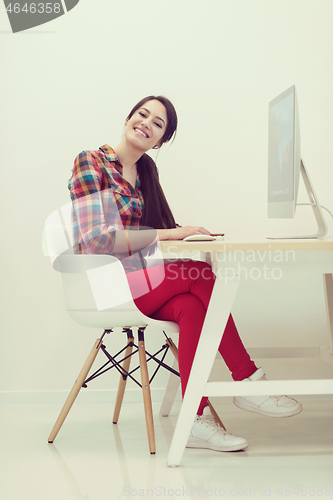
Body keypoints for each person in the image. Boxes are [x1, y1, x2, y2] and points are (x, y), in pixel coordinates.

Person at [68, 95, 302, 453]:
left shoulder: (147, 171)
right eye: (142, 114)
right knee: (202, 275)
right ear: (129, 118)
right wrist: (170, 234)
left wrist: (185, 231)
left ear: (160, 140)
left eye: (157, 124)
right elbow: (98, 239)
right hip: (106, 284)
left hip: (141, 281)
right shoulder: (91, 162)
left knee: (191, 307)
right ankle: (248, 379)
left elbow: (157, 229)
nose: (146, 123)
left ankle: (197, 419)